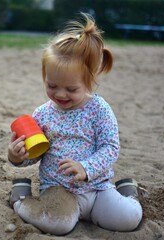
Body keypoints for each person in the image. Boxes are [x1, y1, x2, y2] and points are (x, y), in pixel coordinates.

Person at [7, 13, 142, 235]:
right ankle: (20, 197)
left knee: (129, 219)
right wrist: (17, 157)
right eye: (52, 85)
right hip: (58, 190)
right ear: (45, 77)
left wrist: (86, 168)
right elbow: (37, 153)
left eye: (71, 89)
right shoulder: (42, 114)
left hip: (97, 188)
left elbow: (110, 148)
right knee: (59, 225)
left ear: (88, 81)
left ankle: (127, 192)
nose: (60, 94)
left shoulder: (99, 110)